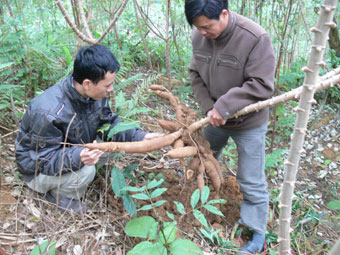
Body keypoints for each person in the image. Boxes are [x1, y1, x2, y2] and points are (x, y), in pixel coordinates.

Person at [15, 44, 161, 214]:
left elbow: (109, 124)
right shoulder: (48, 111)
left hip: (70, 149)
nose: (111, 89)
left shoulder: (94, 95)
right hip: (37, 172)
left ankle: (73, 175)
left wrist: (141, 137)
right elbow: (42, 159)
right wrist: (79, 157)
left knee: (112, 146)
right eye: (108, 85)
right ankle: (59, 195)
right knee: (87, 170)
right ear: (87, 83)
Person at [184, 0, 275, 254]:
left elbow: (262, 85)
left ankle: (257, 233)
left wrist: (224, 107)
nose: (202, 33)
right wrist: (208, 108)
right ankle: (200, 202)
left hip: (249, 123)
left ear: (224, 14)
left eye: (207, 27)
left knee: (251, 178)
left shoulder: (255, 38)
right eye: (197, 27)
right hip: (213, 118)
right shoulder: (199, 35)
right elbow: (195, 74)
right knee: (203, 159)